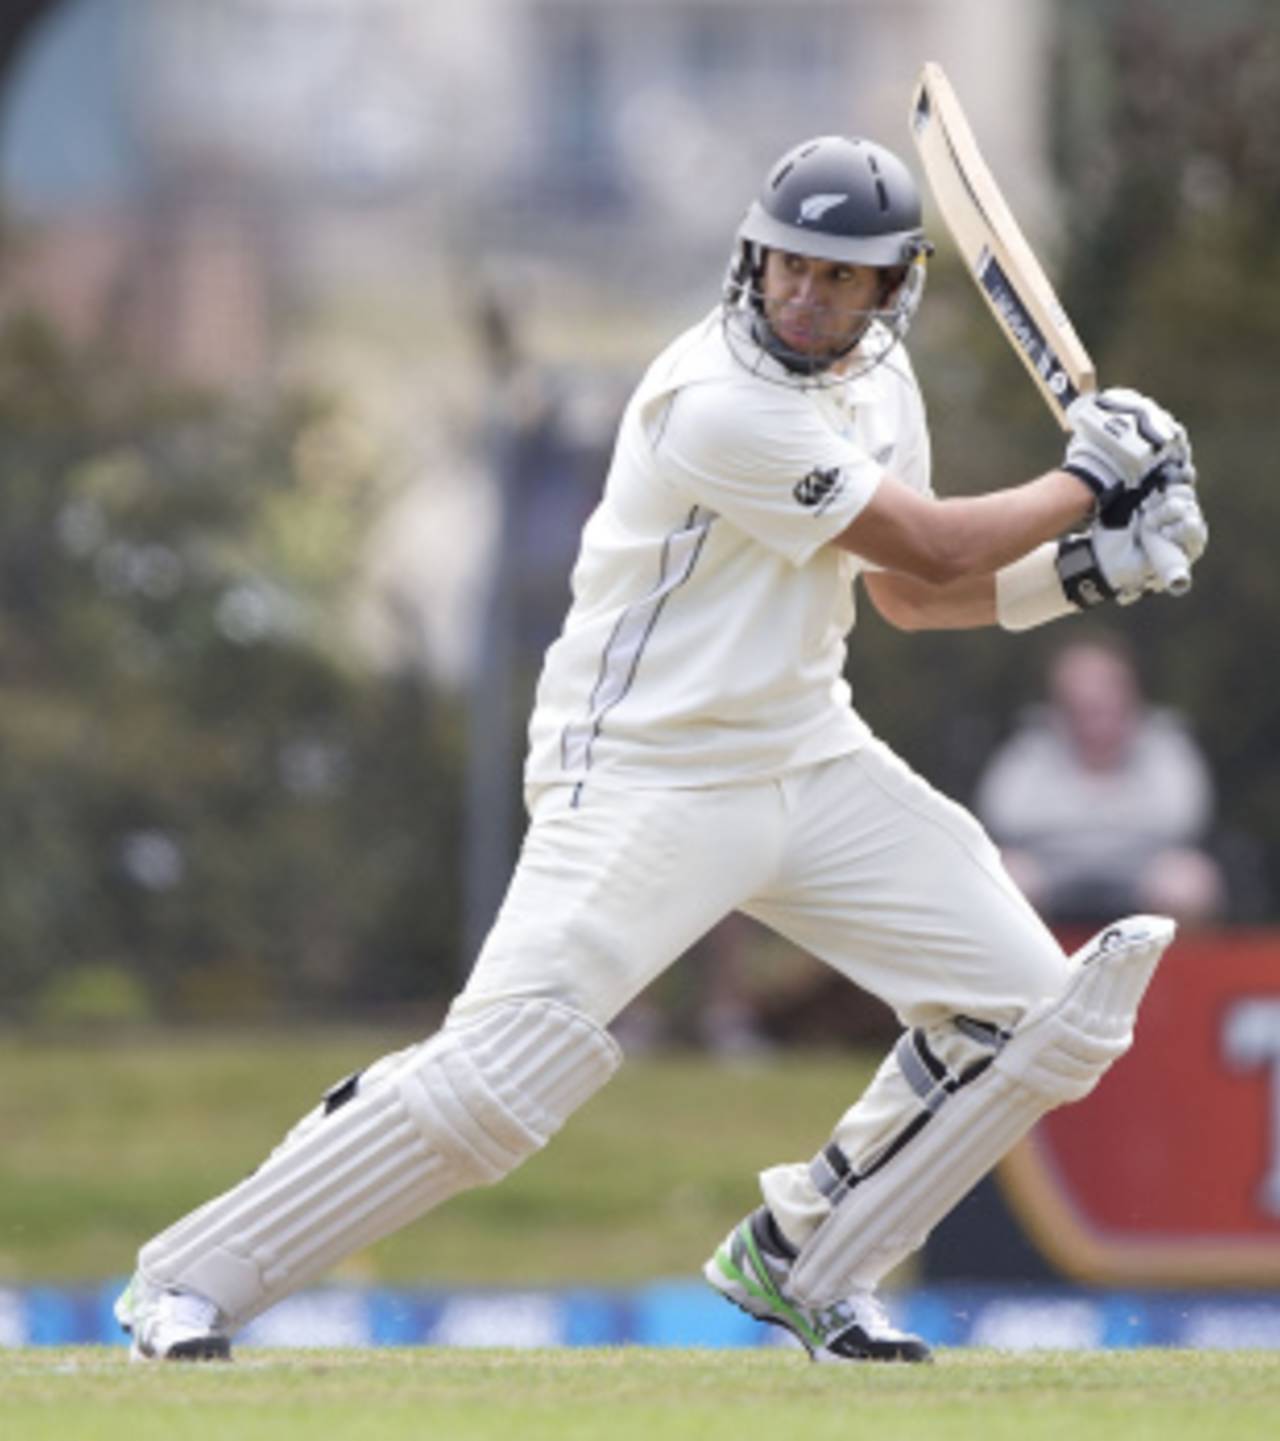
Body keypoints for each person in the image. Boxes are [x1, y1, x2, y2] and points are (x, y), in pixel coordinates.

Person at [115, 134, 1209, 1364]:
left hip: (806, 754)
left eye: (839, 277)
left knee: (1028, 1013)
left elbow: (907, 589)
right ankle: (184, 1284)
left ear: (890, 289)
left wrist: (1087, 569)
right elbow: (943, 548)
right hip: (641, 773)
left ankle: (804, 1261)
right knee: (495, 1083)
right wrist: (1087, 481)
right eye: (787, 264)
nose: (804, 293)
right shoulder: (715, 401)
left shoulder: (876, 388)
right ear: (751, 255)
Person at [975, 634, 1224, 925]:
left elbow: (1182, 818)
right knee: (1005, 877)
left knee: (1188, 882)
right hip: (1050, 869)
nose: (1092, 708)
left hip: (1142, 869)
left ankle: (1178, 971)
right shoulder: (1033, 745)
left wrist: (1078, 816)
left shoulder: (1163, 742)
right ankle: (1028, 971)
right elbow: (1005, 816)